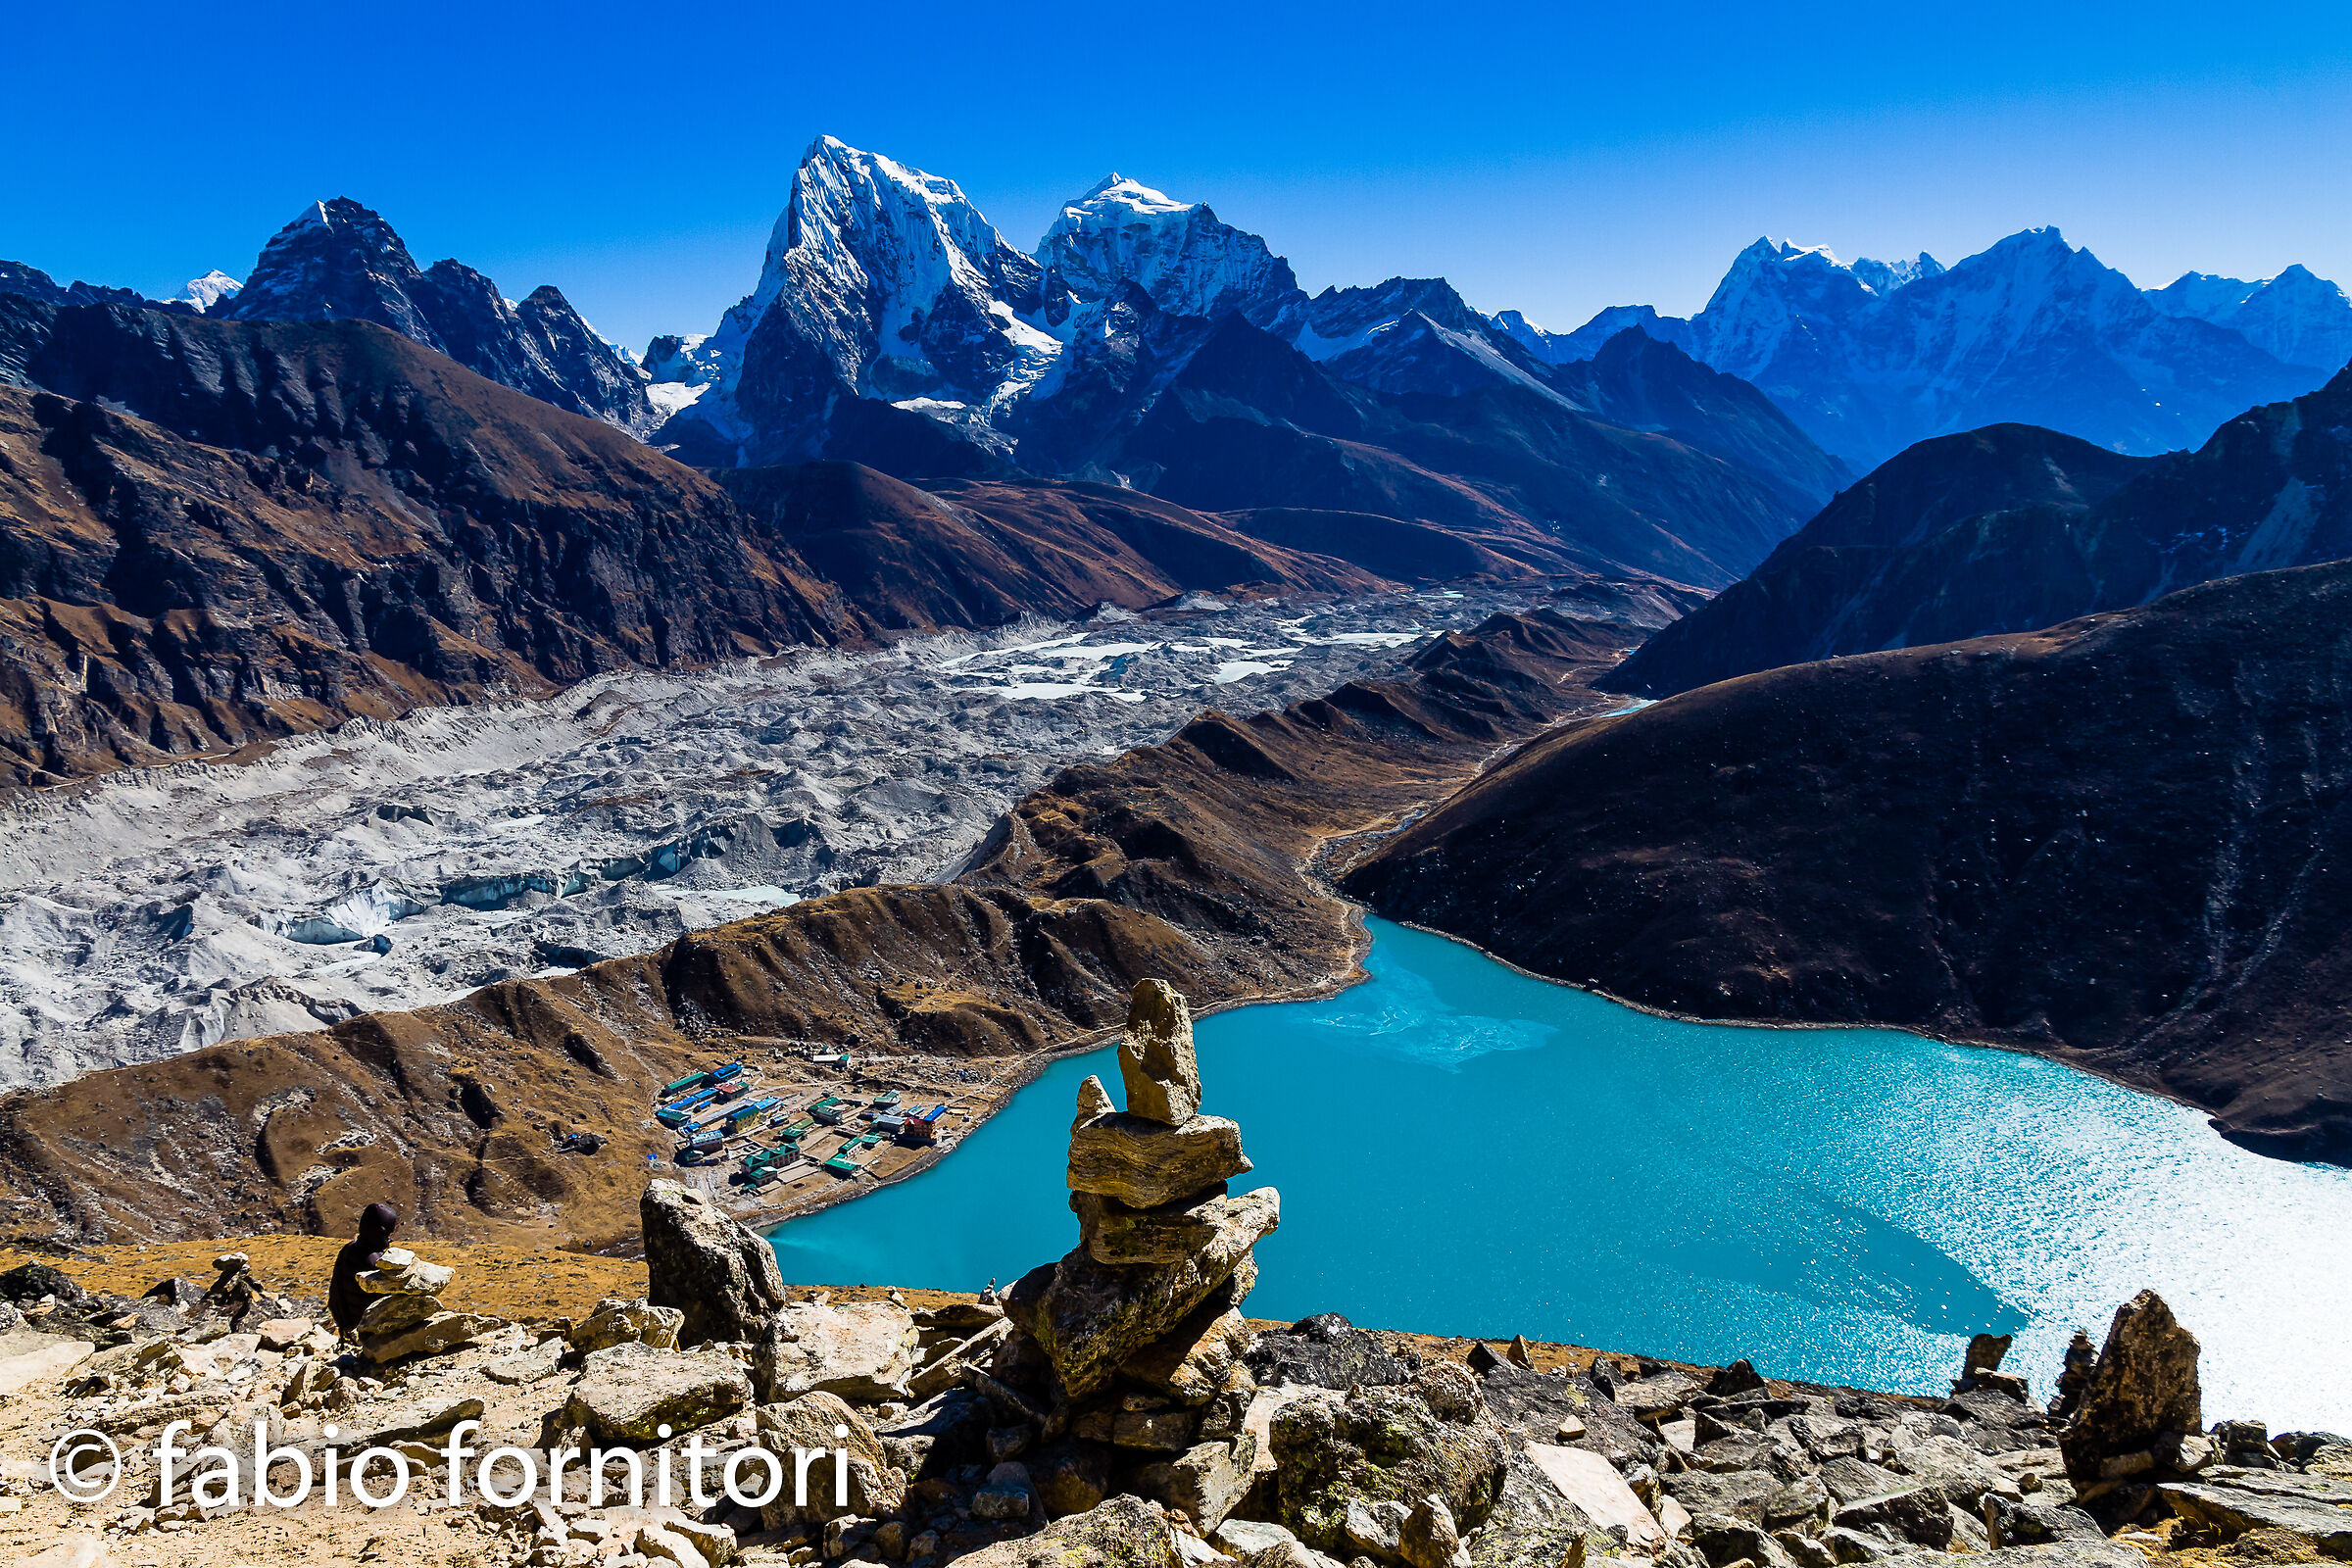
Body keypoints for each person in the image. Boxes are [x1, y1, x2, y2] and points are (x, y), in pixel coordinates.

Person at [327, 1202, 399, 1336]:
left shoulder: (348, 1249)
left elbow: (335, 1291)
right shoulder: (377, 1261)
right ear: (380, 1231)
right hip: (371, 1332)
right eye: (388, 1232)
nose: (390, 1236)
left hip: (348, 1324)